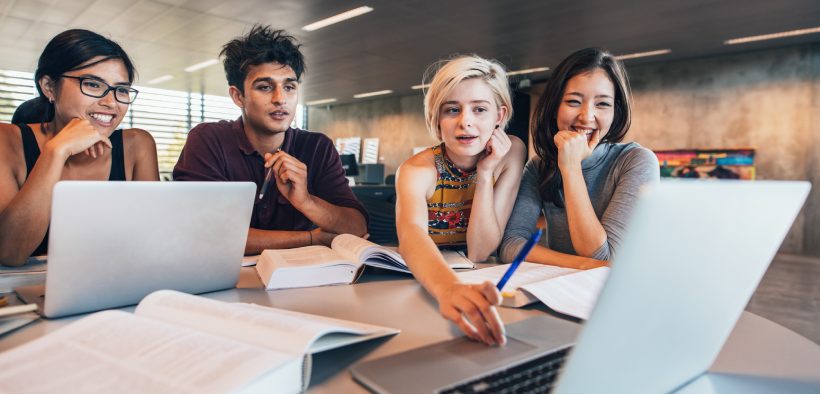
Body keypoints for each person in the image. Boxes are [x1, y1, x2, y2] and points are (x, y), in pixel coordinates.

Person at [173, 25, 368, 254]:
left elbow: (357, 227)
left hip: (301, 280)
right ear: (238, 96)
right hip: (228, 279)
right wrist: (310, 239)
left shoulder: (317, 147)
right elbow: (206, 234)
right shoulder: (209, 140)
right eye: (265, 87)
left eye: (289, 87)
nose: (280, 99)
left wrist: (305, 201)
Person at [396, 55, 526, 346]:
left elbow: (480, 250)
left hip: (480, 278)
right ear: (436, 118)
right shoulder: (416, 170)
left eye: (480, 109)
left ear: (499, 116)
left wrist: (485, 173)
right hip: (425, 282)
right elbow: (410, 234)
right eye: (452, 110)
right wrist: (448, 289)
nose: (465, 121)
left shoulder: (511, 152)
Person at [0, 29, 159, 267]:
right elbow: (10, 253)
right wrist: (57, 151)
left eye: (122, 90)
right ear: (49, 87)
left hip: (116, 287)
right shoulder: (7, 140)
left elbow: (154, 243)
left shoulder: (137, 145)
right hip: (29, 292)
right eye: (93, 84)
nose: (111, 102)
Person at [501, 47, 660, 269]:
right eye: (574, 101)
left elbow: (602, 255)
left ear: (616, 112)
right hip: (560, 289)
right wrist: (581, 265)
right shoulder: (539, 166)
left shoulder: (636, 161)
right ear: (555, 107)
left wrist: (571, 167)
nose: (587, 116)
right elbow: (511, 244)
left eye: (602, 104)